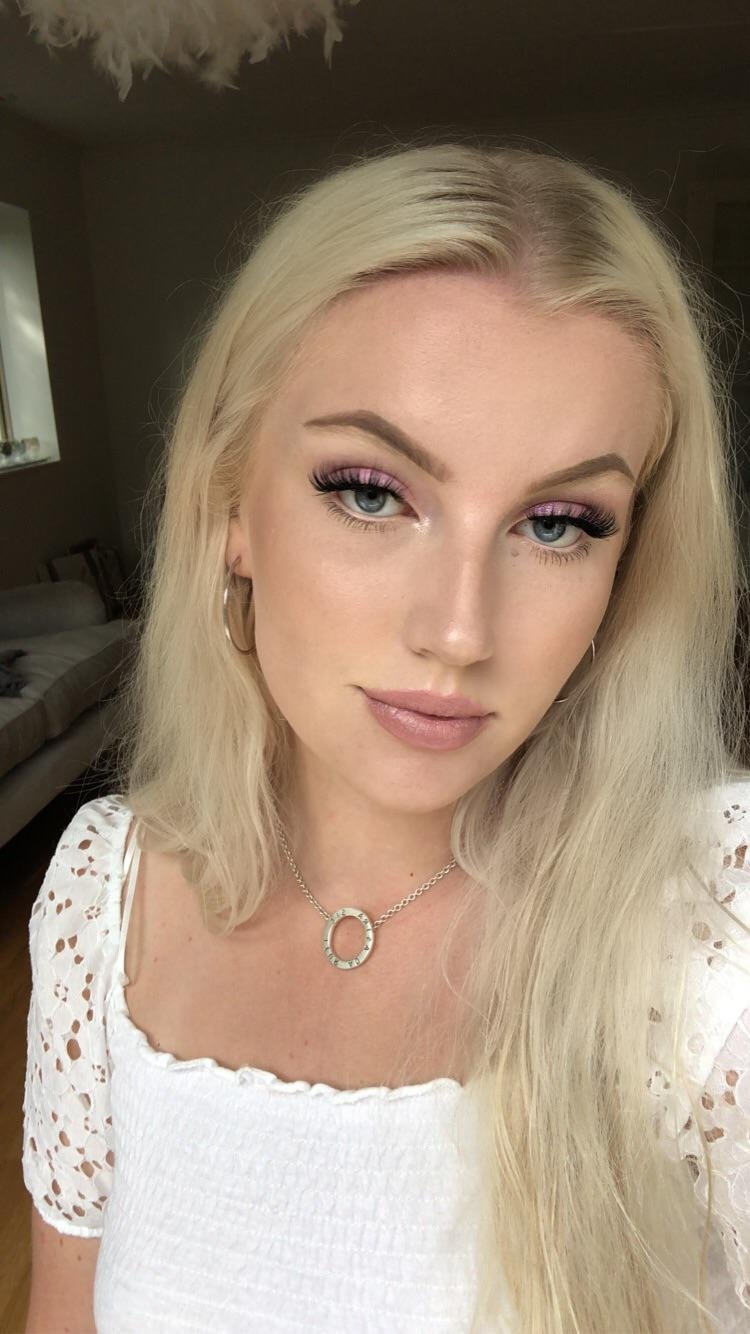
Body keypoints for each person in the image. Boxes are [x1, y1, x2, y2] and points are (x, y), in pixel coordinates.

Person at [21, 138, 750, 1334]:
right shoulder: (105, 894)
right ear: (228, 506)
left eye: (558, 522)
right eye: (370, 491)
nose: (459, 630)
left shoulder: (715, 913)